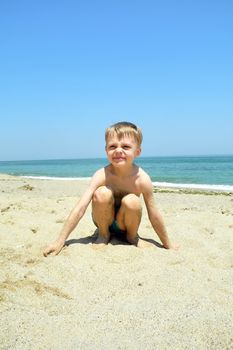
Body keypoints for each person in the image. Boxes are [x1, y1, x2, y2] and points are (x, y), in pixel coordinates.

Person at [43, 121, 178, 256]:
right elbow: (80, 207)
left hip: (126, 223)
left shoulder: (142, 179)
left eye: (125, 146)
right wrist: (60, 241)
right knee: (102, 193)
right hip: (103, 222)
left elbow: (153, 214)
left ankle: (132, 237)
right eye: (112, 146)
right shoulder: (101, 175)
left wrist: (168, 244)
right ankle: (103, 235)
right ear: (106, 150)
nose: (118, 150)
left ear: (137, 152)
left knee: (132, 200)